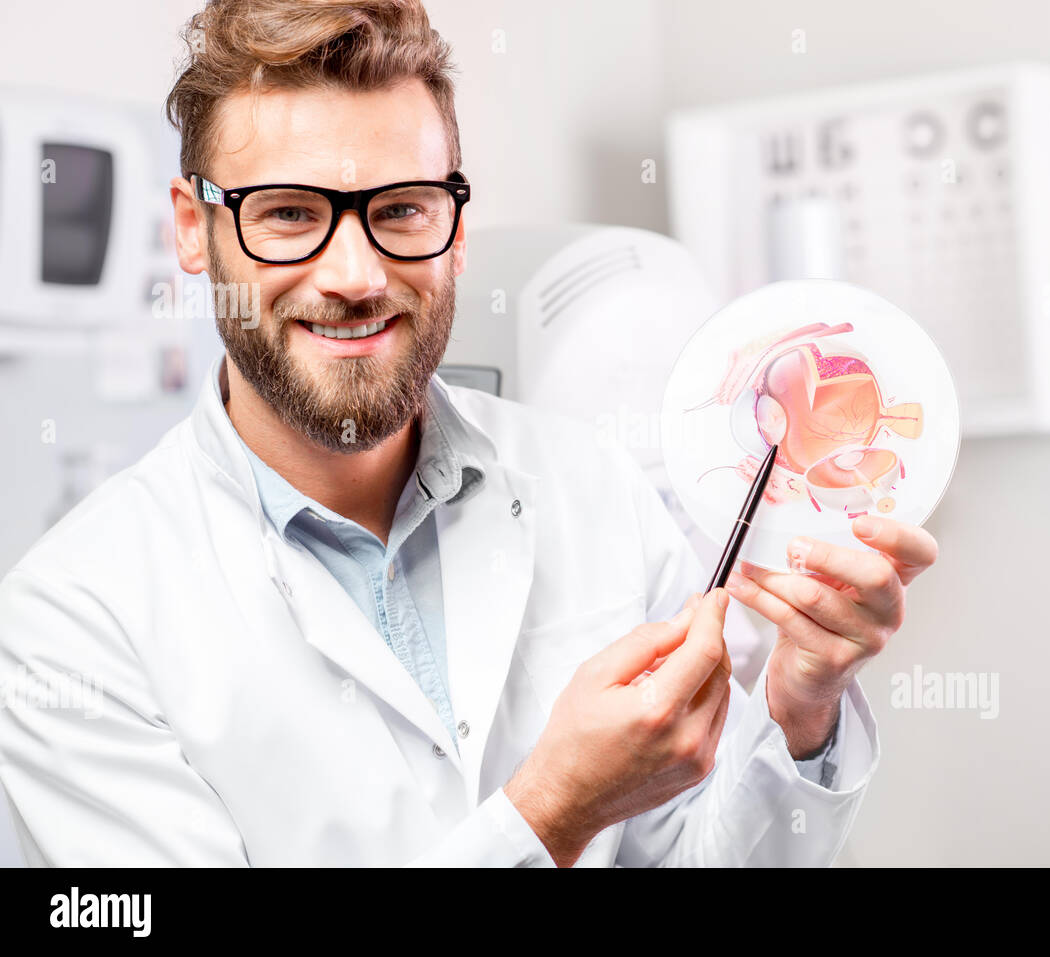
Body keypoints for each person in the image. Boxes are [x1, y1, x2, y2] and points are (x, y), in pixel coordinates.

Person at [0, 0, 938, 867]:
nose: (356, 274)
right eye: (288, 214)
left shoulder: (589, 485)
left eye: (402, 209)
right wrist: (552, 810)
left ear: (454, 224)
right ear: (193, 231)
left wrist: (801, 706)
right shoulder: (73, 627)